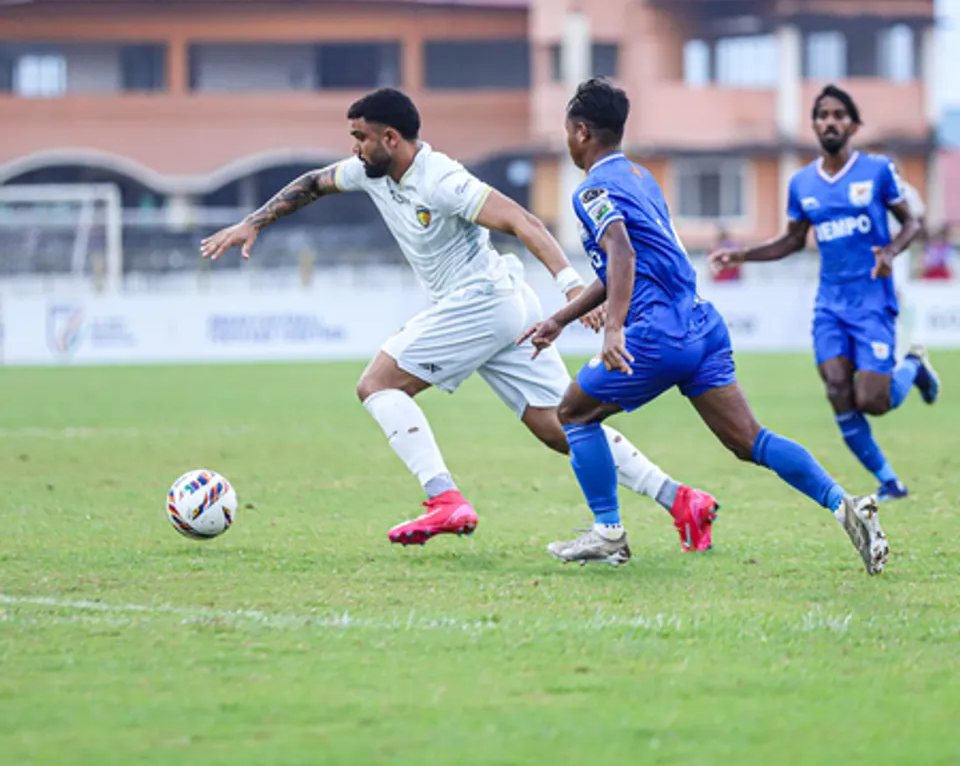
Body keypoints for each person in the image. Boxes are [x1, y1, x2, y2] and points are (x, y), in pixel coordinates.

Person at [200, 87, 718, 551]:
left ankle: (443, 498)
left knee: (377, 384)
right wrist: (252, 222)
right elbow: (314, 183)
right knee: (562, 427)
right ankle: (680, 499)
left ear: (392, 137)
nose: (353, 148)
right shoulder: (369, 171)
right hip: (502, 309)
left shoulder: (441, 178)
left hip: (484, 301)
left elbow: (522, 220)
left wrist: (571, 284)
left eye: (360, 137)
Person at [522, 78, 889, 576]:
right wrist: (561, 319)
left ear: (582, 132)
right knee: (748, 440)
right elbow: (627, 263)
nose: (567, 142)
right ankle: (847, 506)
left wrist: (614, 330)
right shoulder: (640, 177)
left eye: (567, 132)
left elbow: (622, 253)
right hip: (700, 325)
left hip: (656, 335)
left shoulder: (591, 189)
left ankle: (608, 532)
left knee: (574, 413)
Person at [710, 85, 941, 502]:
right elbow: (793, 241)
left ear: (852, 124)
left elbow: (912, 224)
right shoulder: (802, 183)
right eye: (822, 115)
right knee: (837, 389)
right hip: (830, 304)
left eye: (838, 115)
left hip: (873, 300)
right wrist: (742, 254)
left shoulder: (877, 171)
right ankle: (890, 482)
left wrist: (890, 250)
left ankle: (914, 365)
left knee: (874, 400)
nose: (830, 121)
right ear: (815, 125)